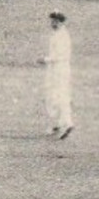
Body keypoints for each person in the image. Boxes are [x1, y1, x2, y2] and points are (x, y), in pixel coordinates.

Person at [42, 11, 73, 139]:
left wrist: (45, 59)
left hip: (60, 69)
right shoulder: (57, 34)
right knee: (53, 96)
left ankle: (67, 123)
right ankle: (59, 124)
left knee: (58, 96)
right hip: (56, 69)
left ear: (61, 22)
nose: (52, 23)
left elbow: (61, 56)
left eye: (55, 21)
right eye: (52, 21)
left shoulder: (62, 36)